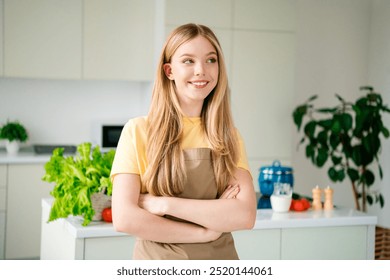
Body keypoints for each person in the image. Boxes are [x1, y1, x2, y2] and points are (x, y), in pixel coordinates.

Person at [110, 23, 257, 260]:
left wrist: (166, 205)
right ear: (169, 71)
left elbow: (244, 215)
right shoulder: (138, 131)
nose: (201, 70)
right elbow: (125, 218)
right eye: (188, 61)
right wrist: (204, 232)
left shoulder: (228, 135)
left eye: (211, 60)